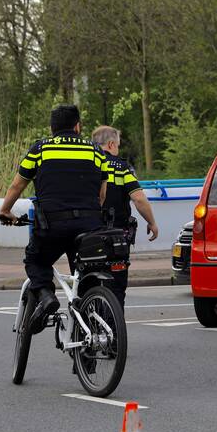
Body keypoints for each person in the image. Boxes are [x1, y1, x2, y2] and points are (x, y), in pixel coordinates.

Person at [0, 105, 107, 334]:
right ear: (77, 127)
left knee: (36, 260)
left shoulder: (41, 149)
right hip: (89, 226)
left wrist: (5, 211)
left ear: (52, 127)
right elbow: (102, 194)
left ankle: (46, 296)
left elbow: (17, 185)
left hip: (53, 225)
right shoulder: (95, 151)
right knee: (85, 275)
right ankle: (92, 331)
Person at [91, 125, 158, 307]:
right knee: (117, 285)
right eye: (118, 145)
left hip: (89, 234)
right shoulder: (121, 167)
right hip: (116, 237)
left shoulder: (87, 164)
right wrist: (152, 222)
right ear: (111, 144)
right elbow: (139, 199)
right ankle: (114, 320)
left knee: (88, 282)